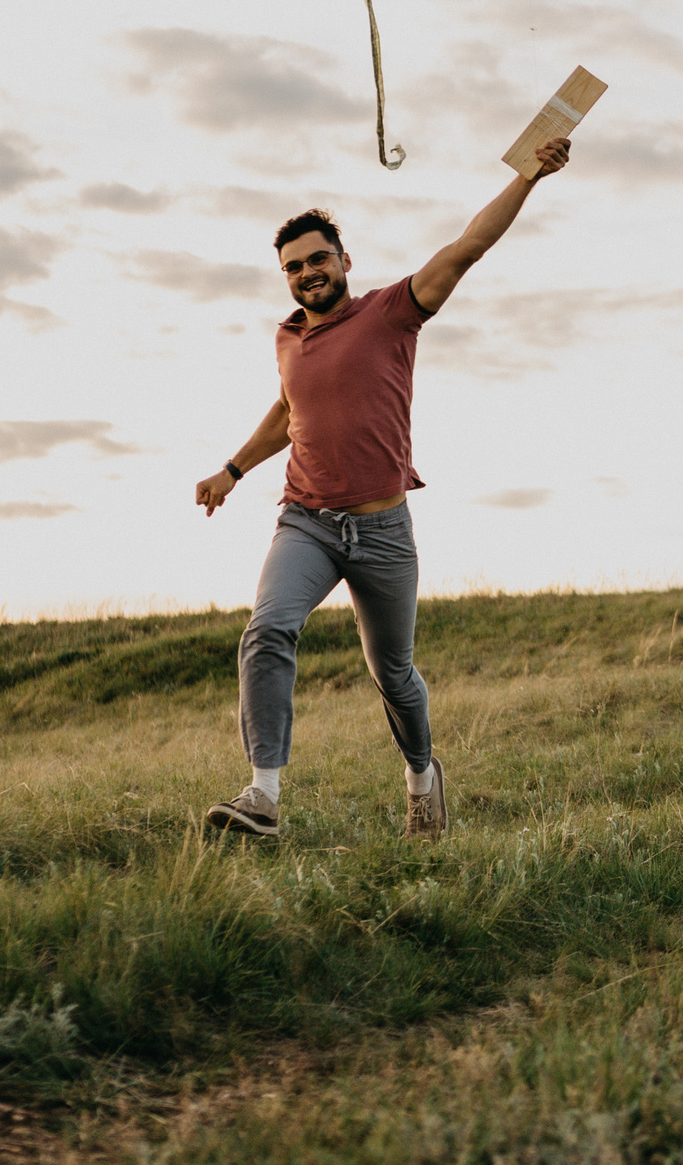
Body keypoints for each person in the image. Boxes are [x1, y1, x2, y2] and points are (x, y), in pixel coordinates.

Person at [195, 137, 572, 841]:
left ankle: (422, 778)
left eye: (317, 259)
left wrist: (529, 176)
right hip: (306, 522)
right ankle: (263, 795)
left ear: (344, 261)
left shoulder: (391, 311)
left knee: (393, 674)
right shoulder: (286, 338)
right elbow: (289, 411)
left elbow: (467, 248)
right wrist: (234, 470)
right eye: (293, 266)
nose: (306, 273)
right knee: (268, 630)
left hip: (382, 529)